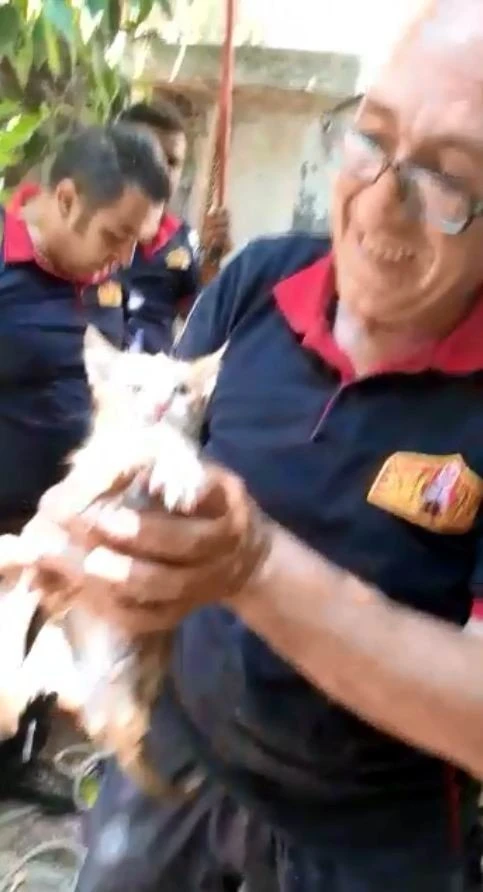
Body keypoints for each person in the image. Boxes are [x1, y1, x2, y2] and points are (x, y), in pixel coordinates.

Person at [11, 0, 483, 888]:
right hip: (177, 768)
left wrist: (254, 566)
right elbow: (137, 453)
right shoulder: (263, 279)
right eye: (370, 137)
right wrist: (69, 561)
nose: (381, 200)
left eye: (447, 178)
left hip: (362, 836)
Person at [0, 123, 169, 812]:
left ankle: (19, 763)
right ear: (66, 199)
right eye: (115, 235)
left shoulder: (103, 277)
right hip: (6, 524)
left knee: (36, 674)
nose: (123, 257)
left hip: (70, 519)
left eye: (135, 243)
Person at [118, 99, 231, 353]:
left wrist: (211, 258)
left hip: (154, 372)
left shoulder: (183, 238)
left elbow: (200, 320)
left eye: (173, 162)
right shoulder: (91, 227)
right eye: (154, 157)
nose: (164, 173)